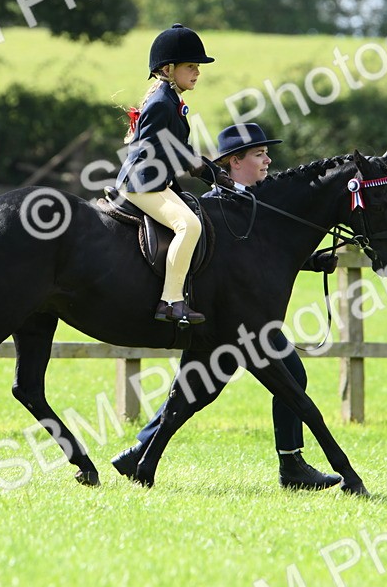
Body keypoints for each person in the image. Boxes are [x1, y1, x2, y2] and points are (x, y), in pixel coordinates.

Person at [120, 122, 343, 490]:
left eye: (266, 154)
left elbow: (263, 256)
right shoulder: (215, 207)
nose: (268, 160)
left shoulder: (256, 204)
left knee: (196, 387)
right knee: (260, 380)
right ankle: (292, 466)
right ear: (233, 163)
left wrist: (312, 262)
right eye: (259, 154)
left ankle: (139, 452)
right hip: (226, 318)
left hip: (238, 318)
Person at [115, 24, 232, 325]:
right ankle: (170, 301)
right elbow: (161, 148)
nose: (197, 72)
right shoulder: (161, 103)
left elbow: (179, 148)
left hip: (157, 182)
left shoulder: (171, 100)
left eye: (197, 67)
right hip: (143, 184)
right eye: (191, 66)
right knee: (188, 226)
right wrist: (207, 171)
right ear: (168, 69)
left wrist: (211, 171)